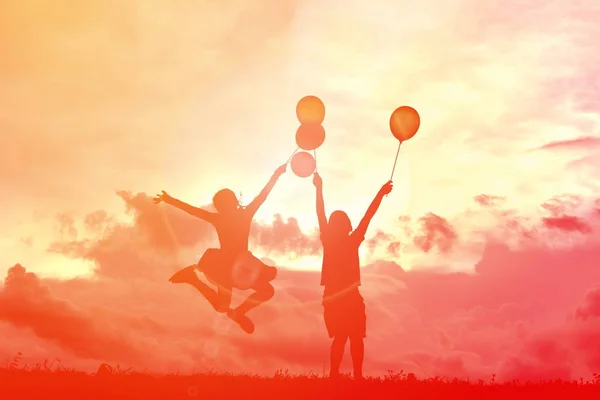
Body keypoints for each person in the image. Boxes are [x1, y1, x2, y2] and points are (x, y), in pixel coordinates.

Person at [153, 164, 287, 334]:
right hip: (227, 267)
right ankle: (193, 279)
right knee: (227, 304)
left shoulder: (236, 216)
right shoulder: (226, 218)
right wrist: (169, 200)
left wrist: (277, 174)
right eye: (222, 206)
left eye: (226, 205)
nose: (225, 209)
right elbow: (193, 211)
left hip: (240, 267)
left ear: (233, 203)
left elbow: (262, 196)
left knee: (263, 291)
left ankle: (237, 311)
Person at [313, 172, 393, 380]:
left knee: (341, 337)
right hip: (349, 295)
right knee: (355, 337)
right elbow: (368, 215)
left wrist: (319, 188)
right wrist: (380, 193)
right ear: (348, 226)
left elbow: (320, 212)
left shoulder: (328, 240)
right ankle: (356, 375)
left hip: (333, 295)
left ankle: (336, 375)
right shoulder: (352, 240)